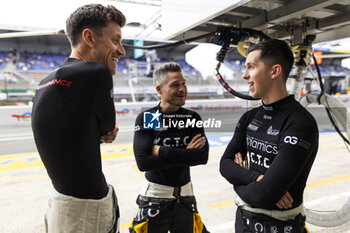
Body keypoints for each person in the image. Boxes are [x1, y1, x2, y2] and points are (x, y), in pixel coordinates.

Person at [31, 4, 126, 233]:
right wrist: (104, 131)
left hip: (59, 206)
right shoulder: (97, 72)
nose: (121, 51)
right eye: (115, 40)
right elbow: (107, 129)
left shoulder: (44, 83)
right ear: (89, 38)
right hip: (87, 213)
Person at [219, 39, 319, 233]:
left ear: (274, 71)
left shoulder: (300, 123)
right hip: (243, 223)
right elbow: (225, 165)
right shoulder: (249, 117)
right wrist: (258, 179)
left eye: (251, 67)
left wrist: (240, 181)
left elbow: (264, 196)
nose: (244, 75)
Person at [129, 62, 210, 233]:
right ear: (159, 90)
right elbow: (144, 163)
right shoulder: (151, 116)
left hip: (186, 195)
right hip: (156, 195)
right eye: (175, 85)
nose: (182, 89)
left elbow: (202, 158)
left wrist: (165, 151)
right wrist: (186, 154)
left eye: (183, 83)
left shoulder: (191, 117)